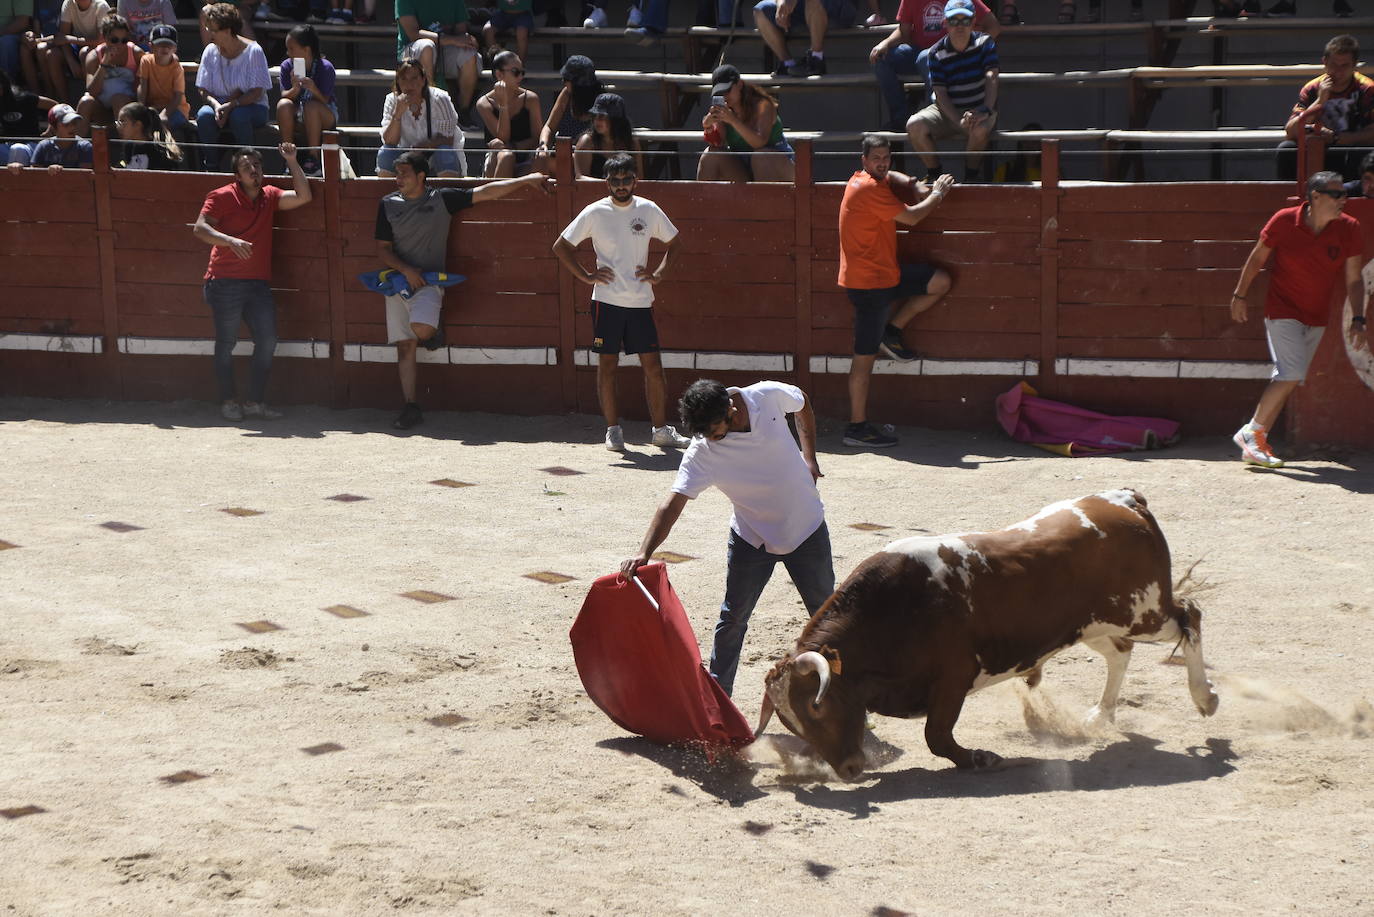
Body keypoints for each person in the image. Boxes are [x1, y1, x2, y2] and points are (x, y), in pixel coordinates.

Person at [619, 378, 833, 697]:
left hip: (807, 529)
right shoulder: (702, 451)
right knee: (732, 618)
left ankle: (844, 696)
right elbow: (672, 502)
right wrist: (644, 551)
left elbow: (802, 402)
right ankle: (718, 699)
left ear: (731, 410)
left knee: (826, 617)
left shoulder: (767, 396)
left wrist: (810, 456)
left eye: (715, 430)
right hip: (751, 538)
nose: (710, 439)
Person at [374, 150, 552, 430]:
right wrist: (406, 270)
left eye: (404, 173)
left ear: (421, 176)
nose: (398, 178)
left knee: (421, 330)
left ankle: (434, 329)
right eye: (396, 173)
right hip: (398, 281)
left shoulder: (441, 199)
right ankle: (410, 405)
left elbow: (486, 192)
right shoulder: (387, 204)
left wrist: (525, 179)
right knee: (405, 347)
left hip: (431, 281)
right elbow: (382, 249)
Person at [1229, 171, 1370, 468]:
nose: (1343, 199)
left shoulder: (1349, 228)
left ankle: (1256, 441)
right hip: (1282, 310)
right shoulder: (1284, 220)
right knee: (1290, 374)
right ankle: (1251, 433)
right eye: (1336, 195)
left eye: (1344, 194)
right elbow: (1257, 258)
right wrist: (1240, 295)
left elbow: (1355, 280)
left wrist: (1359, 317)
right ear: (1315, 197)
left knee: (1288, 377)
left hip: (1316, 315)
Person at [552, 152, 692, 452]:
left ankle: (660, 431)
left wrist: (659, 274)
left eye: (626, 180)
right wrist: (586, 276)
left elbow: (675, 243)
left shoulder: (649, 209)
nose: (621, 186)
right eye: (615, 181)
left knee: (653, 366)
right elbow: (561, 246)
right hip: (607, 300)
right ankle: (613, 431)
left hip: (641, 300)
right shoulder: (594, 212)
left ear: (635, 180)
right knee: (607, 365)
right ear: (607, 182)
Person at [838, 134, 954, 448]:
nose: (882, 163)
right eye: (876, 158)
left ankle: (892, 331)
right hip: (869, 286)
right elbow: (914, 217)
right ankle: (856, 427)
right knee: (863, 360)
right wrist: (937, 193)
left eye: (886, 157)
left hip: (884, 276)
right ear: (863, 160)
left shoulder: (866, 178)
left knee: (939, 281)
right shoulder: (870, 189)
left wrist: (912, 183)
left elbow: (891, 176)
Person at [192, 143, 312, 421]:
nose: (253, 170)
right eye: (246, 167)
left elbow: (304, 196)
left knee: (267, 341)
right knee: (226, 343)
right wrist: (229, 240)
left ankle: (254, 402)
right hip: (224, 282)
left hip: (256, 283)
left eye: (256, 166)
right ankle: (228, 400)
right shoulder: (221, 196)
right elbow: (200, 228)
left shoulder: (269, 195)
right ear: (237, 174)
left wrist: (292, 161)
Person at [869, 0, 997, 132]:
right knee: (881, 58)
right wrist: (885, 43)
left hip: (949, 55)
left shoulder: (962, 2)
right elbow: (904, 30)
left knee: (926, 57)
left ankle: (936, 120)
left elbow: (994, 26)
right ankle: (899, 120)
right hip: (919, 52)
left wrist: (971, 50)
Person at [907, 0, 998, 182]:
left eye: (964, 20)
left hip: (979, 108)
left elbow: (991, 77)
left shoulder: (985, 43)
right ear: (945, 24)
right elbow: (940, 94)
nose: (959, 26)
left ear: (973, 22)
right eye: (953, 21)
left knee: (979, 130)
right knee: (914, 125)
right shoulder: (935, 52)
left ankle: (971, 176)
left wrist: (985, 110)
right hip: (945, 110)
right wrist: (958, 120)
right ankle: (935, 174)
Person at [1276, 35, 1374, 183]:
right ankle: (1289, 199)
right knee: (1286, 149)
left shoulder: (1367, 89)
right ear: (1324, 62)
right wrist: (1320, 100)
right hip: (1319, 147)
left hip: (1351, 147)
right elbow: (1291, 131)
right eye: (1334, 65)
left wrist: (1337, 138)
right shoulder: (1312, 88)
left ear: (1354, 66)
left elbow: (1371, 133)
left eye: (1344, 66)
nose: (1338, 72)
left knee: (1360, 153)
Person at [194, 2, 271, 170]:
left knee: (238, 116)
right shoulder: (210, 51)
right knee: (204, 115)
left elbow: (257, 92)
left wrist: (231, 105)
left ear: (228, 31)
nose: (209, 33)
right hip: (219, 104)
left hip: (251, 106)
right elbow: (203, 89)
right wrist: (216, 106)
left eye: (213, 30)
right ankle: (211, 166)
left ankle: (248, 165)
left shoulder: (254, 51)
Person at [696, 63, 794, 183]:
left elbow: (760, 143)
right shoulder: (725, 110)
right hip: (743, 167)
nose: (725, 96)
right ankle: (700, 200)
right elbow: (718, 144)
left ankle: (768, 201)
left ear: (740, 84)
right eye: (720, 93)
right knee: (710, 156)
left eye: (727, 90)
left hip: (776, 165)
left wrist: (733, 120)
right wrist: (708, 127)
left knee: (761, 157)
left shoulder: (762, 105)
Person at [376, 58, 465, 178]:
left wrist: (426, 146)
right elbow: (389, 141)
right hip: (405, 157)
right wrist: (398, 114)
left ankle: (448, 193)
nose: (409, 84)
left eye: (414, 78)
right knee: (385, 152)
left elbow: (448, 139)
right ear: (398, 82)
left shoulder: (440, 98)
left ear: (423, 80)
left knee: (444, 152)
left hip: (435, 155)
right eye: (404, 79)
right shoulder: (392, 100)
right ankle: (387, 195)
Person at [395, 0, 478, 126]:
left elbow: (461, 30)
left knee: (468, 54)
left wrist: (467, 40)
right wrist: (450, 40)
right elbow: (413, 34)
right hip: (413, 49)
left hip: (447, 46)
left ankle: (462, 112)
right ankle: (429, 110)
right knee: (427, 46)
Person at [276, 23, 336, 176]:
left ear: (306, 49)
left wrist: (313, 88)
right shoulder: (286, 66)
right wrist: (295, 89)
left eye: (291, 49)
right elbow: (284, 96)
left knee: (311, 106)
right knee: (283, 105)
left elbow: (325, 100)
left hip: (323, 113)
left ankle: (313, 159)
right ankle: (288, 160)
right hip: (297, 113)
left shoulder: (325, 67)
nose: (288, 53)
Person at [476, 49, 539, 178]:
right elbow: (503, 137)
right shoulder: (484, 103)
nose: (520, 77)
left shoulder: (530, 99)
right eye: (516, 72)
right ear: (499, 74)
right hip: (498, 158)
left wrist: (512, 147)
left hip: (525, 155)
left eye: (522, 72)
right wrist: (503, 105)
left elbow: (536, 137)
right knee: (506, 157)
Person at [753, 0, 857, 78]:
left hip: (841, 7)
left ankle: (816, 58)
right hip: (803, 7)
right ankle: (787, 64)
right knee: (761, 10)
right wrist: (781, 3)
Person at [533, 53, 600, 173]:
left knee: (572, 160)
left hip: (587, 157)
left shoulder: (600, 101)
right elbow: (549, 126)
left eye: (566, 79)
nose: (563, 82)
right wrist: (543, 145)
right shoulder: (566, 95)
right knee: (541, 159)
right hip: (562, 152)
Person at [37, 0, 107, 102]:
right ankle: (65, 103)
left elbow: (101, 40)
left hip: (97, 49)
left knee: (85, 53)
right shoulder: (69, 3)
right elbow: (63, 36)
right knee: (52, 55)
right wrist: (71, 61)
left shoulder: (101, 6)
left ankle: (89, 102)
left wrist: (71, 39)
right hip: (76, 47)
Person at [76, 12, 137, 128]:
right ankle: (78, 144)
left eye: (124, 40)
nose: (119, 44)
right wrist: (104, 63)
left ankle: (126, 143)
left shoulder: (136, 53)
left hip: (128, 107)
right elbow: (92, 91)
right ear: (104, 37)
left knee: (118, 99)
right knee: (85, 102)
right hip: (102, 108)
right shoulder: (93, 57)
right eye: (114, 40)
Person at [574, 91, 642, 179]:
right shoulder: (587, 142)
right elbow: (580, 178)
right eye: (595, 115)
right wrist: (611, 184)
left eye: (602, 116)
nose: (597, 120)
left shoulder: (632, 143)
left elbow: (639, 178)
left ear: (615, 119)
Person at [136, 22, 185, 135]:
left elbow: (178, 97)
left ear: (175, 48)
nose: (165, 48)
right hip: (152, 106)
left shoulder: (177, 68)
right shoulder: (146, 61)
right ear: (151, 46)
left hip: (175, 109)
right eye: (160, 44)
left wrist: (164, 114)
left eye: (169, 44)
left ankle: (170, 151)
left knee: (166, 122)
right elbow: (143, 87)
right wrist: (141, 109)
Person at [9, 99, 87, 169]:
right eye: (66, 124)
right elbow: (35, 174)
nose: (72, 127)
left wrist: (61, 173)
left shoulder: (85, 146)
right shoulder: (44, 146)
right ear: (53, 127)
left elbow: (85, 178)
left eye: (74, 123)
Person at [2, 68, 55, 164]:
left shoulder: (24, 98)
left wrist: (50, 129)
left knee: (17, 149)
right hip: (7, 146)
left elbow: (56, 106)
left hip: (30, 145)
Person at [114, 99, 180, 167]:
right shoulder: (128, 148)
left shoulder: (159, 151)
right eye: (118, 122)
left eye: (122, 122)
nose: (118, 127)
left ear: (138, 125)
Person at [481, 0, 531, 64]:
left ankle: (520, 66)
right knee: (488, 30)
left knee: (522, 32)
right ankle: (496, 63)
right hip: (502, 13)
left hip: (523, 14)